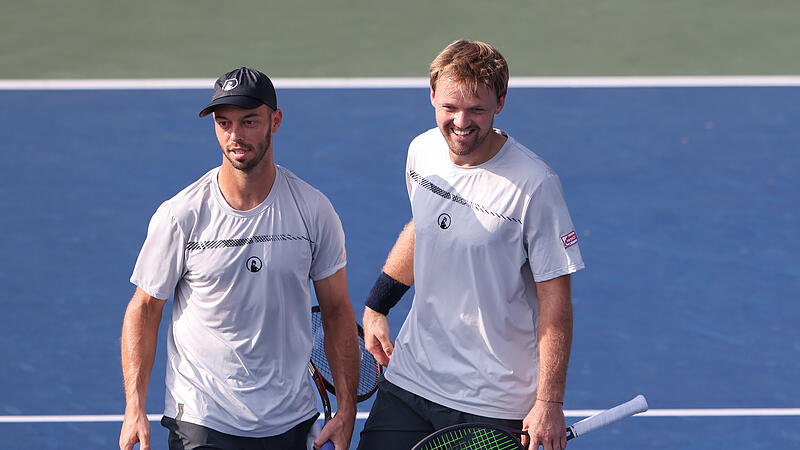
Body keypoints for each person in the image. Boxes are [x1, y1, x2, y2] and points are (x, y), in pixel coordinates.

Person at [358, 41, 585, 450]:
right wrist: (378, 304)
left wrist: (549, 401)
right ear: (431, 96)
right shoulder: (422, 152)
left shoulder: (535, 185)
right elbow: (427, 228)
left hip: (491, 399)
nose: (461, 122)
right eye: (449, 107)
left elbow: (556, 302)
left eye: (476, 110)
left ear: (500, 102)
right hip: (411, 378)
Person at [119, 67, 360, 450]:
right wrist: (135, 407)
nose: (235, 135)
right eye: (224, 122)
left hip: (289, 420)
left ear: (275, 121)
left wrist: (346, 409)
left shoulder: (313, 210)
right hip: (201, 417)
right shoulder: (181, 215)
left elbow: (336, 310)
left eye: (249, 121)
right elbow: (145, 308)